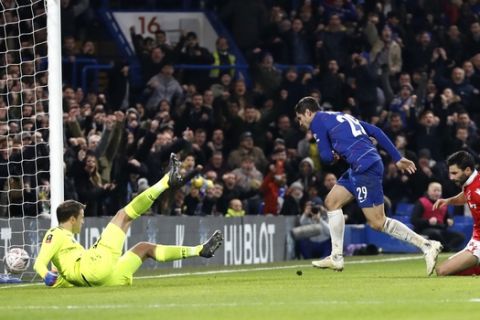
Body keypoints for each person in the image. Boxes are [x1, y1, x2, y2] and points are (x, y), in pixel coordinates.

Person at [294, 96, 442, 275]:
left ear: (308, 112)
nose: (301, 123)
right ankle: (336, 257)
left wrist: (332, 156)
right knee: (332, 201)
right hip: (360, 165)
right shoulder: (339, 115)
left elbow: (325, 157)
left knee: (377, 222)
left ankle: (427, 245)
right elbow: (376, 131)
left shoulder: (317, 122)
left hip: (365, 167)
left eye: (301, 118)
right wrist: (397, 157)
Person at [33, 154, 224, 287]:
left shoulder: (68, 250)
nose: (83, 222)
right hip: (93, 266)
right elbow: (39, 263)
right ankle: (166, 181)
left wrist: (54, 276)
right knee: (123, 215)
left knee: (143, 248)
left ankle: (200, 250)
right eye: (81, 218)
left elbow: (60, 272)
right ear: (72, 218)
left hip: (102, 279)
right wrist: (46, 275)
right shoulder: (55, 234)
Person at [434, 151, 480, 276]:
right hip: (475, 239)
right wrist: (448, 201)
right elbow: (466, 196)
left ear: (467, 170)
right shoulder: (471, 182)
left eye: (455, 173)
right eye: (450, 173)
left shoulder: (477, 189)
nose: (451, 177)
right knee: (442, 271)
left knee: (442, 271)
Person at [411, 182, 464, 252]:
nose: (437, 193)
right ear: (428, 191)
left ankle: (445, 248)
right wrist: (428, 221)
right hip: (424, 230)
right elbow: (414, 220)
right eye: (434, 190)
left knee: (460, 236)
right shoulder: (421, 202)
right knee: (435, 234)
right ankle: (446, 249)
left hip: (440, 229)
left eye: (439, 191)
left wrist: (450, 221)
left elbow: (448, 218)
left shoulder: (443, 203)